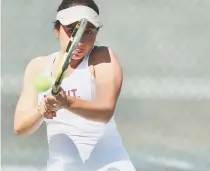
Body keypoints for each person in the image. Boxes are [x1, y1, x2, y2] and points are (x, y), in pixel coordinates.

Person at [14, 0, 136, 170]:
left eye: (89, 32)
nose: (80, 40)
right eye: (72, 31)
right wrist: (41, 110)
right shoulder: (38, 67)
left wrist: (66, 103)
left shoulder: (102, 58)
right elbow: (20, 127)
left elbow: (105, 112)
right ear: (57, 30)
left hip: (109, 165)